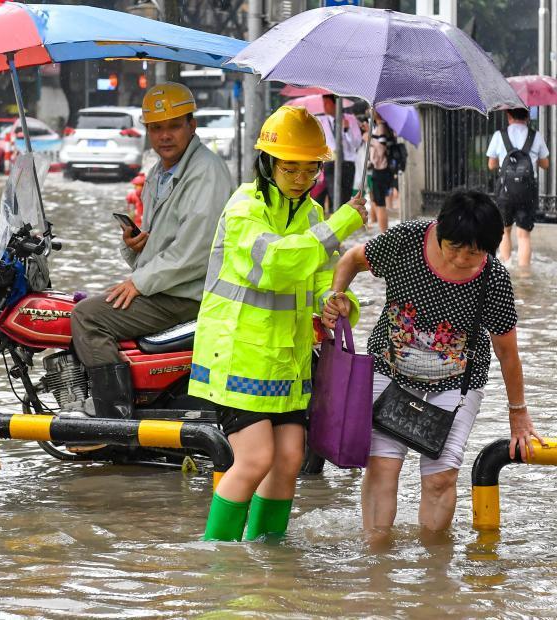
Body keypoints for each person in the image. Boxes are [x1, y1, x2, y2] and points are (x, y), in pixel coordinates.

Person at [192, 106, 368, 542]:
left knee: (289, 459)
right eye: (290, 168)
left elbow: (321, 276)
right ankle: (218, 557)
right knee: (255, 460)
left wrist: (336, 301)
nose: (301, 178)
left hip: (288, 362)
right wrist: (342, 222)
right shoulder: (244, 208)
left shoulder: (311, 215)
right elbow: (274, 265)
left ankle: (268, 557)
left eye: (310, 169)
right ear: (268, 162)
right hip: (239, 357)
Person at [323, 189, 543, 535]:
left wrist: (518, 413)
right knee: (382, 468)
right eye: (453, 247)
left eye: (473, 253)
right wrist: (335, 296)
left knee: (441, 477)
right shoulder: (406, 240)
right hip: (390, 369)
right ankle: (376, 557)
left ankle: (434, 560)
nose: (460, 259)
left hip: (457, 383)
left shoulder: (494, 278)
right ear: (439, 230)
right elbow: (352, 259)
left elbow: (507, 353)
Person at [69, 83, 234, 419]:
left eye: (174, 126)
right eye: (156, 128)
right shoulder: (160, 171)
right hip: (168, 285)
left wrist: (139, 282)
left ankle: (113, 422)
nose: (165, 136)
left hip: (186, 293)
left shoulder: (206, 172)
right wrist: (135, 246)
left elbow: (196, 251)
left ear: (192, 125)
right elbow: (167, 241)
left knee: (87, 316)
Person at [486, 108, 549, 269]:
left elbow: (491, 164)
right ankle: (524, 274)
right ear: (527, 116)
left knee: (505, 230)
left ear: (508, 116)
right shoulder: (535, 136)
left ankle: (505, 268)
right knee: (524, 235)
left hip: (505, 191)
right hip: (527, 191)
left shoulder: (499, 135)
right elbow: (545, 164)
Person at [315, 94, 362, 212]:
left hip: (347, 163)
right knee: (335, 196)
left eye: (327, 103)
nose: (324, 106)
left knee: (345, 197)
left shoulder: (350, 119)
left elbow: (357, 143)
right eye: (323, 103)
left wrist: (347, 130)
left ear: (336, 103)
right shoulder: (321, 121)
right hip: (330, 163)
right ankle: (336, 215)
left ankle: (342, 217)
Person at [368, 111, 396, 233]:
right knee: (378, 201)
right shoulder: (385, 127)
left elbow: (381, 150)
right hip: (383, 169)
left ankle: (383, 233)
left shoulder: (381, 127)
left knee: (380, 203)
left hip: (381, 169)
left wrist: (369, 140)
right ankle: (383, 231)